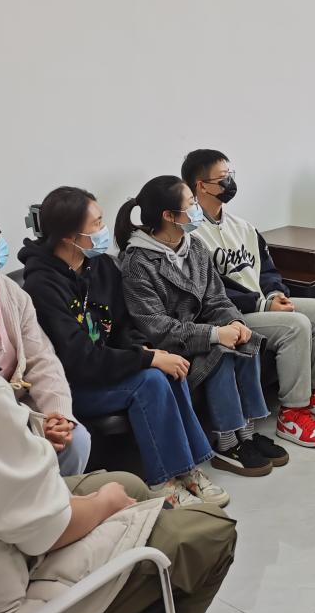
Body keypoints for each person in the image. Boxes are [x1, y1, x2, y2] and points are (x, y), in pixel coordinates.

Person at [0, 163, 236, 613]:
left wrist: (46, 420)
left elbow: (46, 363)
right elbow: (40, 530)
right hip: (2, 593)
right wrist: (103, 505)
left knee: (130, 480)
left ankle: (179, 473)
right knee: (208, 533)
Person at [20, 185, 228, 508]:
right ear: (69, 236)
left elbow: (123, 327)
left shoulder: (101, 267)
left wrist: (148, 352)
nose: (103, 230)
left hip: (107, 367)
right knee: (151, 379)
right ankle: (162, 483)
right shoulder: (42, 285)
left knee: (171, 368)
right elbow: (79, 359)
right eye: (96, 224)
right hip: (73, 385)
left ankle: (188, 471)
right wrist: (146, 360)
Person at [182, 149, 315, 448]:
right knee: (296, 325)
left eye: (231, 175)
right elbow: (212, 291)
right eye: (223, 178)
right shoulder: (191, 236)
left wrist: (275, 293)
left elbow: (266, 268)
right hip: (231, 316)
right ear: (201, 185)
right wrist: (261, 304)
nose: (230, 182)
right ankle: (292, 415)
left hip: (264, 304)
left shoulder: (242, 226)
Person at [117, 175, 288, 477]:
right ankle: (226, 443)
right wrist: (214, 334)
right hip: (168, 346)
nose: (197, 210)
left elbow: (215, 297)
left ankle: (246, 435)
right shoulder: (137, 262)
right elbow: (157, 326)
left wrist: (233, 321)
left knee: (247, 340)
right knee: (220, 353)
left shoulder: (193, 245)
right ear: (169, 216)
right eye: (190, 205)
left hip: (201, 331)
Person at [0, 201, 91, 476]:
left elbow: (42, 359)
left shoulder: (7, 291)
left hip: (25, 407)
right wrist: (32, 425)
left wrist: (57, 415)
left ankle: (64, 499)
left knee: (77, 439)